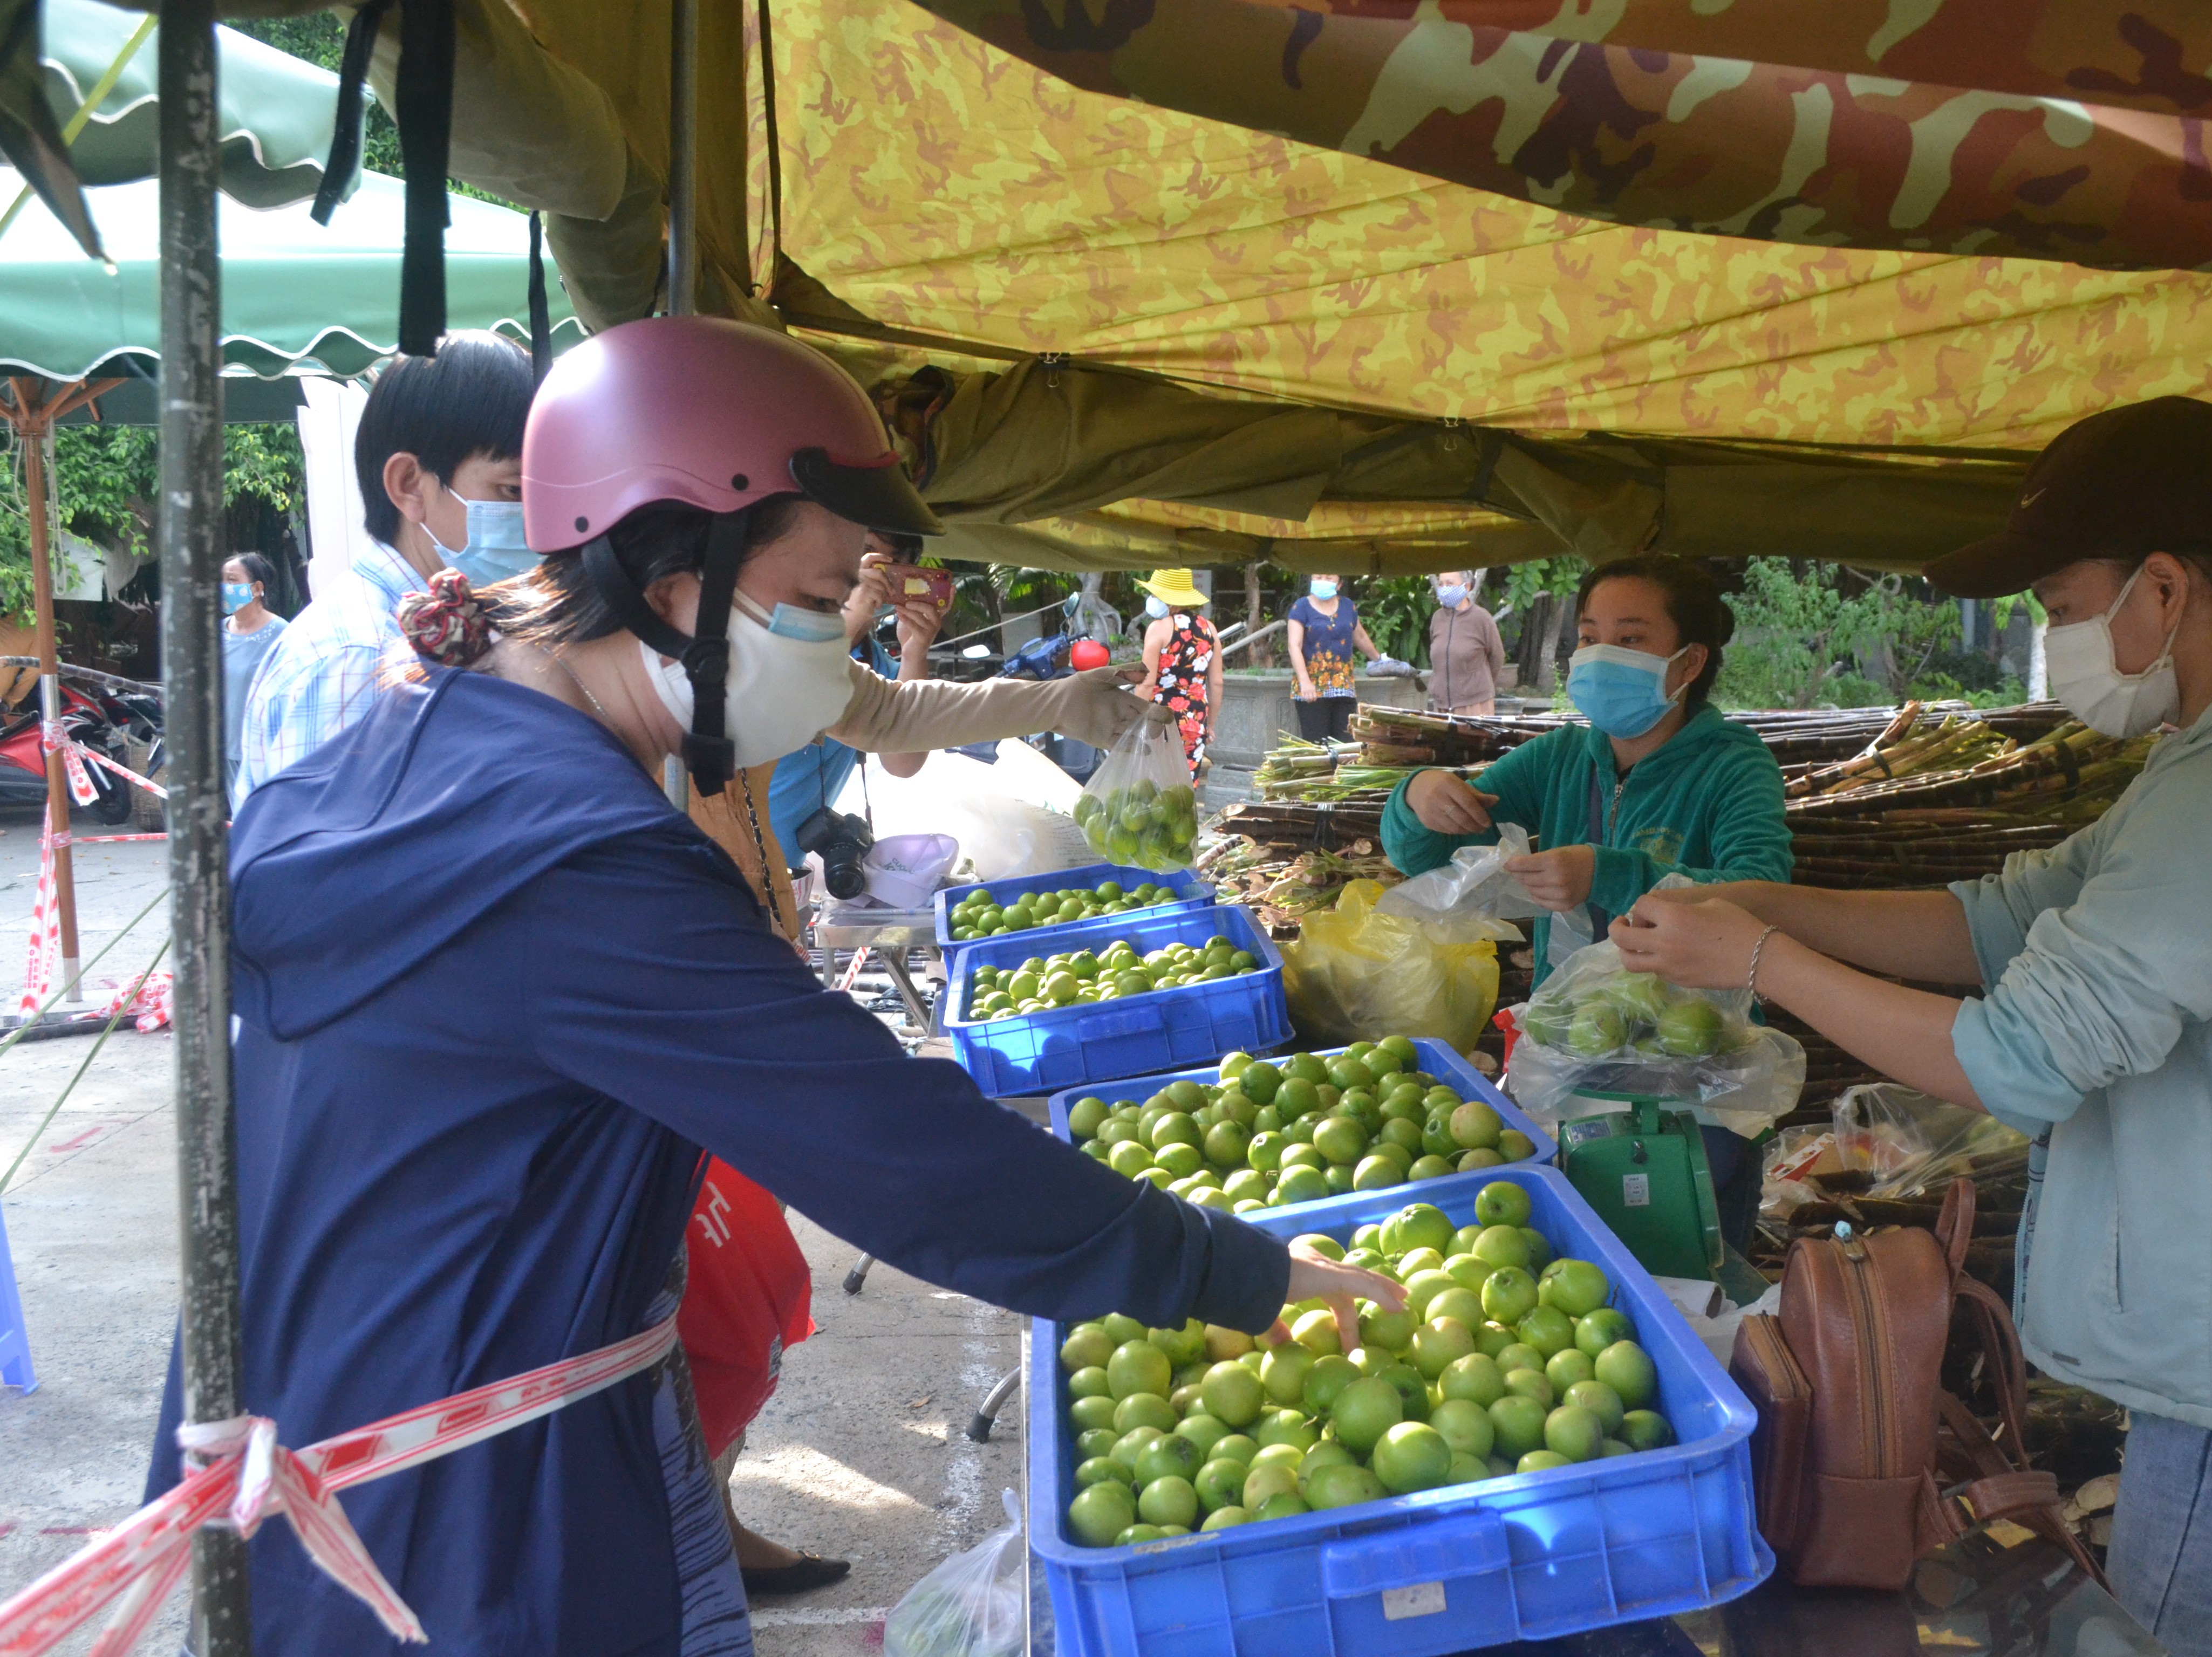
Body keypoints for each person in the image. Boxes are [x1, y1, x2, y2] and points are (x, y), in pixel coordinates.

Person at [145, 316, 1398, 1657]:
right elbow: (903, 1157)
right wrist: (1240, 1269)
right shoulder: (568, 852)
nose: (827, 638)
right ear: (675, 574)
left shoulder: (427, 717)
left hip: (319, 1425)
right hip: (444, 1525)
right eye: (812, 597)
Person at [1613, 398, 2212, 1657]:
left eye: (2063, 604)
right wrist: (1763, 899)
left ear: (2163, 589)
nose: (2051, 635)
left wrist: (1760, 958)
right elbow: (1997, 921)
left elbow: (2016, 1055)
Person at [1384, 556, 1791, 1247]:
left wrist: (1608, 873)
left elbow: (1767, 896)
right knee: (1577, 1269)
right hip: (1569, 1062)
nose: (1601, 656)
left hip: (1696, 1082)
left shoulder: (1735, 766)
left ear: (1689, 663)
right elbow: (1427, 856)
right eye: (1589, 637)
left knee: (1690, 1288)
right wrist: (1419, 796)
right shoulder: (1564, 759)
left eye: (1630, 639)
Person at [234, 332, 536, 804]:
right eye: (514, 491)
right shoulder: (361, 660)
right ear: (410, 485)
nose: (541, 521)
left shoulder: (447, 630)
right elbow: (331, 871)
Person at [765, 532, 946, 876]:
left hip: (778, 871)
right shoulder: (781, 630)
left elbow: (903, 764)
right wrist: (847, 615)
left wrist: (915, 652)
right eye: (861, 554)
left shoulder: (880, 668)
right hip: (718, 855)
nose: (863, 570)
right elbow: (784, 690)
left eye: (884, 567)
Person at [1138, 567, 1221, 777]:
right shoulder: (1210, 629)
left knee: (1152, 787)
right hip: (1195, 720)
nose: (1151, 599)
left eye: (1155, 595)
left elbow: (1146, 682)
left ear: (1169, 599)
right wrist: (1209, 726)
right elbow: (1218, 683)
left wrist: (1132, 717)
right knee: (1183, 787)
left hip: (1159, 720)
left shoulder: (1158, 629)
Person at [219, 552, 286, 797]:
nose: (224, 588)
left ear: (257, 588)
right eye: (223, 581)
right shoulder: (217, 633)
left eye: (232, 580)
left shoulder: (282, 634)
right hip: (222, 749)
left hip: (262, 751)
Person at [1286, 571, 1381, 742]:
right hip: (1312, 690)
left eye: (1329, 578)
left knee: (1347, 745)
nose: (1323, 581)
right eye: (1318, 577)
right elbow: (1294, 646)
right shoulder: (1300, 608)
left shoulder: (1348, 606)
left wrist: (1380, 660)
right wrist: (1305, 681)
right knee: (1319, 747)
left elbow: (1360, 637)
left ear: (1340, 584)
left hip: (1344, 687)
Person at [1426, 569, 1504, 717]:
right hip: (1441, 706)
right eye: (1441, 584)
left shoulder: (1481, 618)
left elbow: (1497, 656)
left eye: (1450, 583)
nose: (1445, 588)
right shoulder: (1437, 618)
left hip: (1475, 706)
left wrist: (1477, 686)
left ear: (1467, 587)